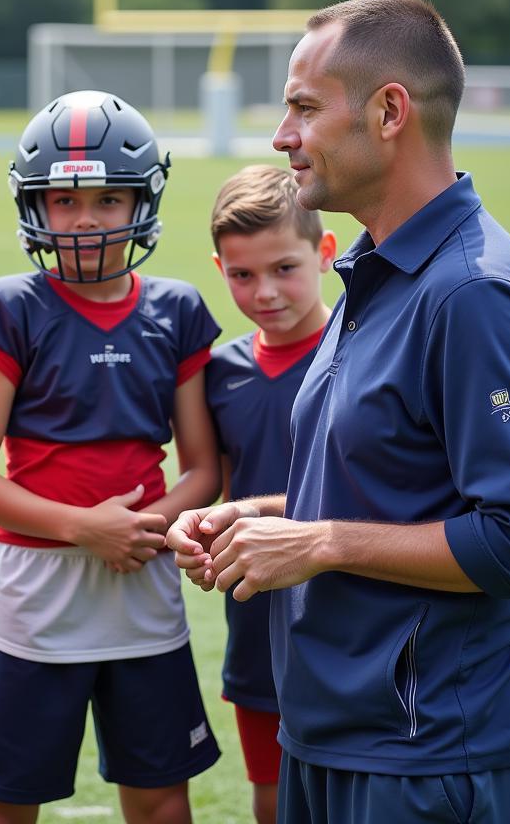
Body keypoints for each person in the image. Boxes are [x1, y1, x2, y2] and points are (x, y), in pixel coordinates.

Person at [168, 0, 510, 824]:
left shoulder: (472, 293)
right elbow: (391, 488)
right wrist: (255, 518)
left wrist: (319, 542)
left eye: (304, 108)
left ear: (389, 111)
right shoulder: (375, 271)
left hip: (432, 758)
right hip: (330, 738)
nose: (282, 136)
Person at [0, 90, 222, 824]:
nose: (87, 218)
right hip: (34, 594)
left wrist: (138, 528)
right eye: (64, 200)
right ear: (35, 205)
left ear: (143, 200)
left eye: (107, 197)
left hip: (142, 584)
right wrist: (82, 527)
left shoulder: (178, 309)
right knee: (5, 802)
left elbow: (202, 469)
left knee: (161, 797)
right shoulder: (12, 307)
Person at [204, 164, 336, 824]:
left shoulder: (360, 354)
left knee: (353, 787)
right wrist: (203, 536)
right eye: (242, 275)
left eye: (286, 268)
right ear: (219, 267)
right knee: (273, 795)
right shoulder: (220, 371)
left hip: (348, 615)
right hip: (255, 618)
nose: (265, 292)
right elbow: (224, 487)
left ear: (326, 253)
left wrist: (257, 515)